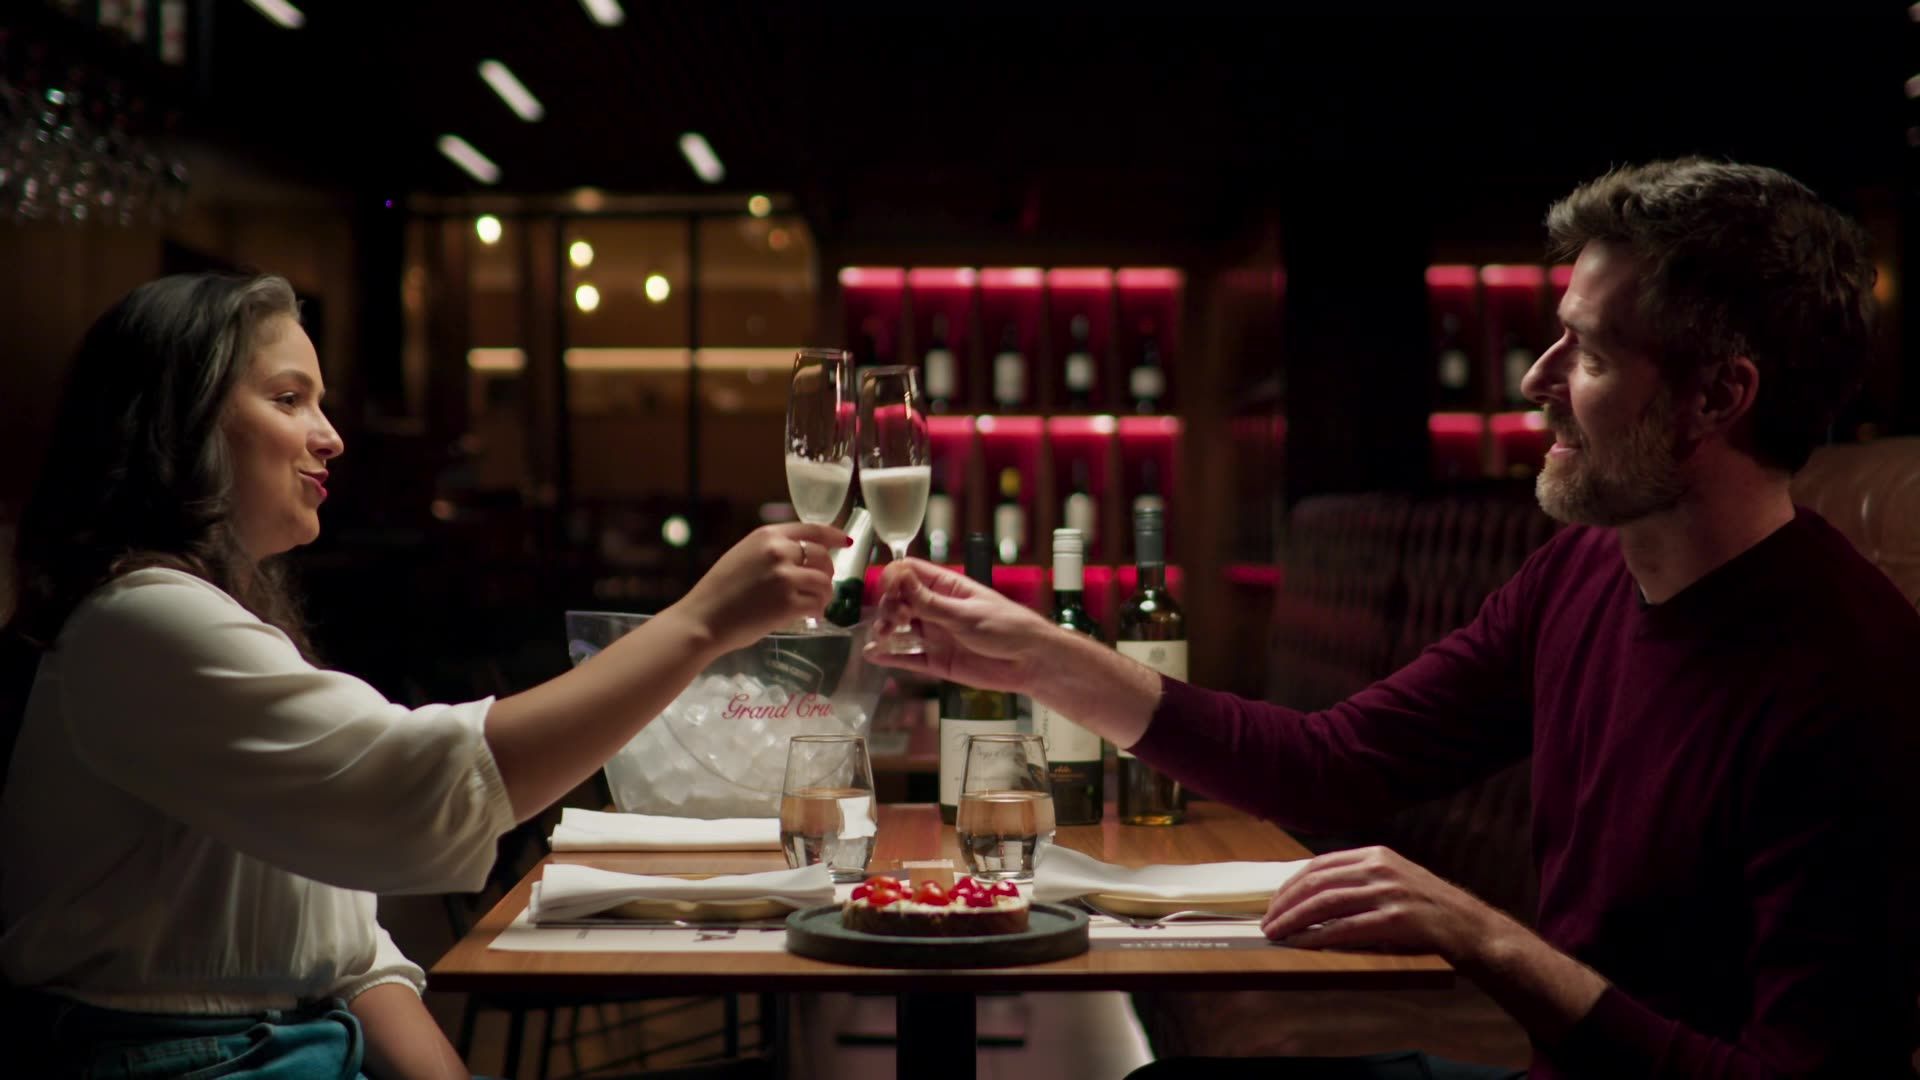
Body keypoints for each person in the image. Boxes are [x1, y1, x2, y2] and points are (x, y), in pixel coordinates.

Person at [869, 158, 1920, 1078]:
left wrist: (1489, 940)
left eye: (1590, 354)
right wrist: (1040, 659)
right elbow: (1333, 762)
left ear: (1717, 398)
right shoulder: (1582, 576)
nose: (1535, 381)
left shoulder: (1847, 678)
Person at [0, 272, 848, 1078]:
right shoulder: (139, 623)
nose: (330, 435)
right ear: (177, 423)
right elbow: (413, 791)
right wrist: (699, 625)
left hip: (285, 1045)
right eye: (290, 399)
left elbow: (346, 947)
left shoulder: (195, 620)